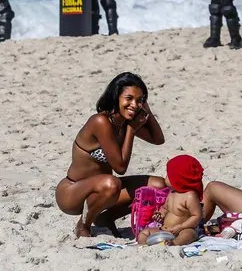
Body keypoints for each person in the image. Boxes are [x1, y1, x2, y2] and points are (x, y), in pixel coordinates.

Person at [55, 72, 166, 238]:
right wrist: (131, 130)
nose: (134, 104)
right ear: (116, 97)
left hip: (106, 191)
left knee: (159, 185)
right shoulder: (101, 122)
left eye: (139, 100)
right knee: (112, 183)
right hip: (73, 192)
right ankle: (83, 224)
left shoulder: (125, 121)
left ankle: (106, 217)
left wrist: (147, 111)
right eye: (129, 98)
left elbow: (158, 139)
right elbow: (120, 167)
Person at [137, 155, 204, 246]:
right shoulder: (172, 194)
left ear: (179, 179)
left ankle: (175, 243)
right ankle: (143, 245)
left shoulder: (190, 196)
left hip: (181, 230)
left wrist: (181, 226)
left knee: (189, 234)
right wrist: (160, 214)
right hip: (165, 229)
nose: (165, 177)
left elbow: (197, 216)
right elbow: (165, 208)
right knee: (144, 233)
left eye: (168, 175)